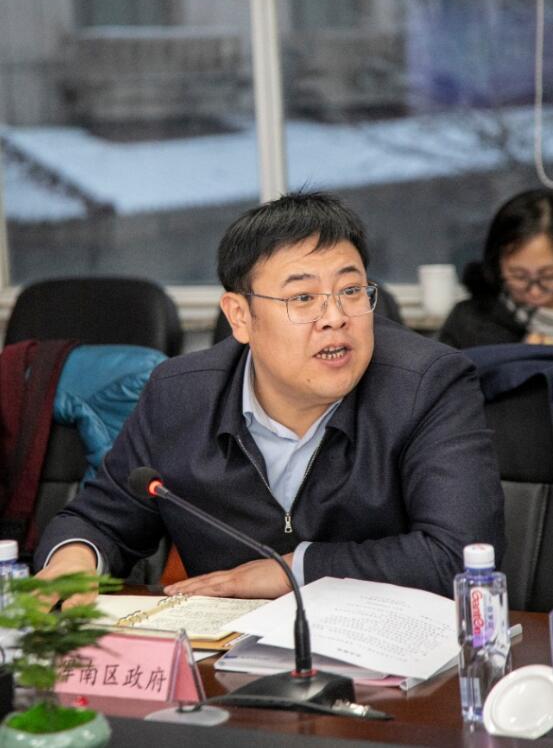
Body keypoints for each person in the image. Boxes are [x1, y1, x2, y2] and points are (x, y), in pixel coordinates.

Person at [35, 192, 504, 602]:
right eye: (303, 298)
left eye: (351, 290)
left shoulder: (429, 384)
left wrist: (294, 571)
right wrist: (76, 559)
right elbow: (98, 521)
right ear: (240, 317)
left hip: (388, 657)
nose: (335, 317)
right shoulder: (179, 395)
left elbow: (460, 557)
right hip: (225, 659)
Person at [440, 189, 553, 348]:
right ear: (497, 264)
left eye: (548, 276)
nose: (534, 291)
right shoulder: (471, 322)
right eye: (519, 276)